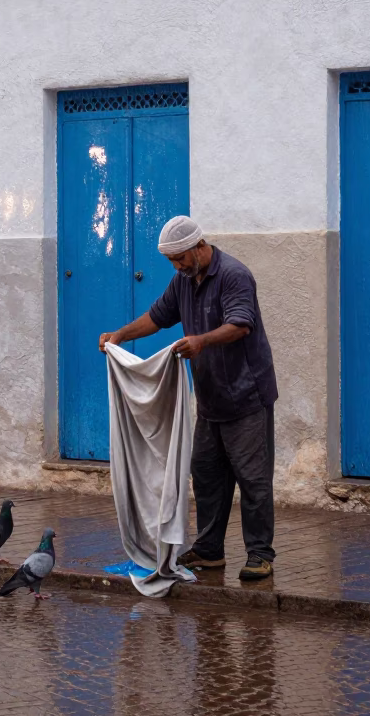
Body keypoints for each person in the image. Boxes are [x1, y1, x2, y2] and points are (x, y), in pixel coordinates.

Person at [99, 215, 278, 580]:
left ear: (199, 246)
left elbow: (241, 324)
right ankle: (210, 551)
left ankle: (260, 555)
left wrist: (201, 340)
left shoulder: (234, 275)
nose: (177, 266)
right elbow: (157, 317)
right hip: (211, 399)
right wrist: (120, 335)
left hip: (247, 396)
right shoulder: (183, 280)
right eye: (171, 260)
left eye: (180, 258)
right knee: (207, 475)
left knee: (252, 478)